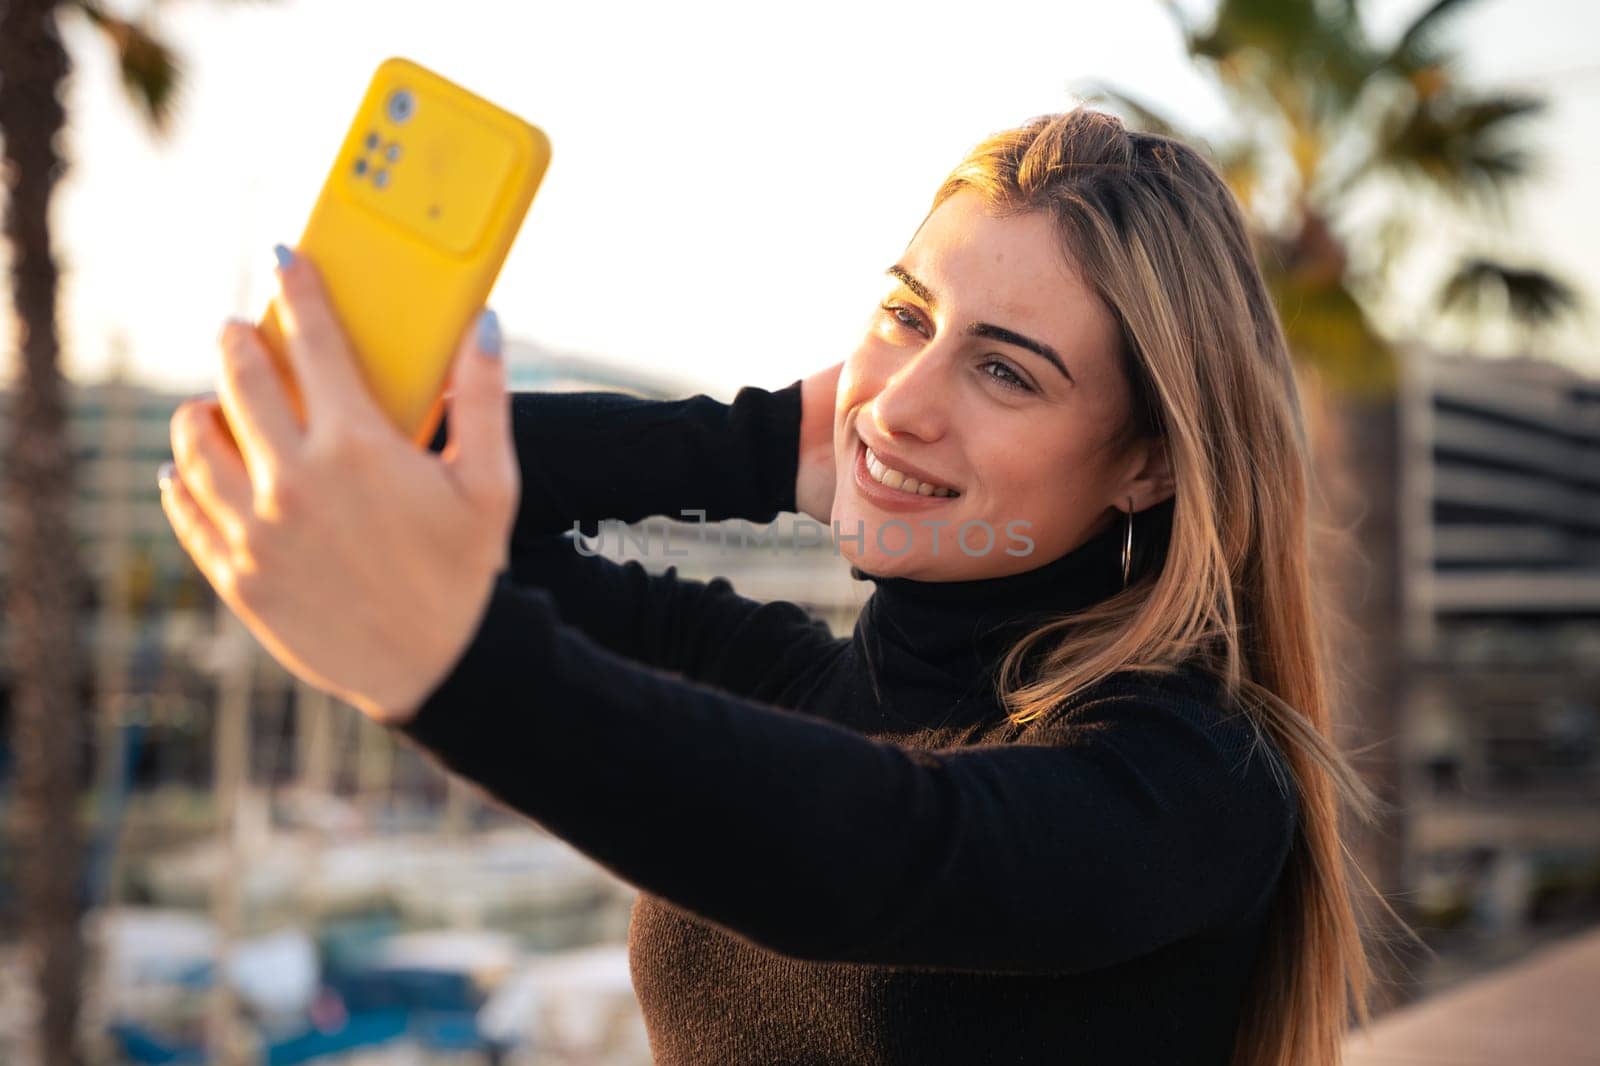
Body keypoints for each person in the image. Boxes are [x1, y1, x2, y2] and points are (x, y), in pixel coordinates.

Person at [164, 107, 1401, 1065]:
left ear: (1144, 464)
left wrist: (445, 662)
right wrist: (765, 444)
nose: (906, 402)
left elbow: (878, 854)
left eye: (1006, 373)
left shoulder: (1190, 774)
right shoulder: (797, 679)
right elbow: (446, 497)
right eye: (908, 316)